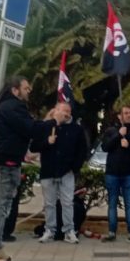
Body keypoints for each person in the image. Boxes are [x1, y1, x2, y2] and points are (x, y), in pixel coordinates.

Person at [0, 76, 51, 261]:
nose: (29, 90)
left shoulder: (5, 107)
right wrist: (52, 122)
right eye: (26, 88)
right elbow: (30, 129)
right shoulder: (13, 107)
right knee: (1, 207)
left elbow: (27, 129)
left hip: (5, 159)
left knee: (4, 207)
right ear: (15, 90)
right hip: (7, 161)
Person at [33, 101, 88, 244]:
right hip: (48, 170)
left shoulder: (76, 129)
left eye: (69, 111)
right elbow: (34, 146)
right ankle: (49, 230)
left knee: (67, 202)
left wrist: (74, 167)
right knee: (50, 203)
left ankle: (69, 231)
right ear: (55, 110)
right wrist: (47, 141)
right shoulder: (46, 126)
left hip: (66, 172)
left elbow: (82, 151)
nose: (66, 113)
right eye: (63, 110)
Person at [101, 105, 130, 244]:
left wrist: (129, 145)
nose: (129, 115)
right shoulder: (111, 131)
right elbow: (105, 147)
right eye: (125, 113)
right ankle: (111, 232)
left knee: (129, 204)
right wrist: (118, 135)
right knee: (112, 203)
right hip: (112, 173)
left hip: (129, 173)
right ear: (119, 116)